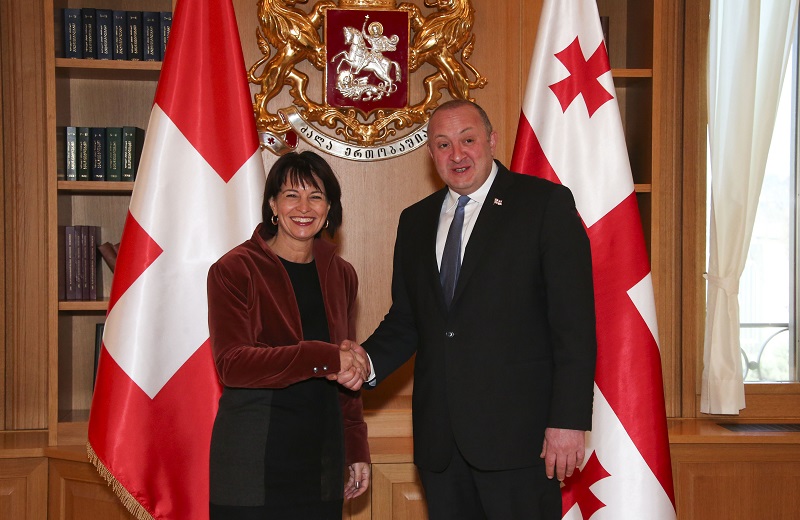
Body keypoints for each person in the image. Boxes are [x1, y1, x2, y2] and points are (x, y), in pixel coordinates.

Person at [336, 100, 597, 519]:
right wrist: (365, 361)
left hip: (520, 442)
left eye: (467, 140)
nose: (456, 154)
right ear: (431, 153)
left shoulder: (543, 205)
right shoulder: (415, 221)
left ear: (492, 141)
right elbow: (407, 320)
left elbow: (574, 326)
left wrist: (567, 421)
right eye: (443, 144)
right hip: (441, 446)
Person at [207, 151, 371, 519]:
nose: (304, 207)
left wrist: (356, 446)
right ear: (272, 205)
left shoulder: (342, 274)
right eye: (291, 195)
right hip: (253, 458)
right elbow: (233, 365)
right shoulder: (235, 269)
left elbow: (347, 375)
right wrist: (323, 356)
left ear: (329, 208)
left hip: (322, 459)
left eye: (316, 196)